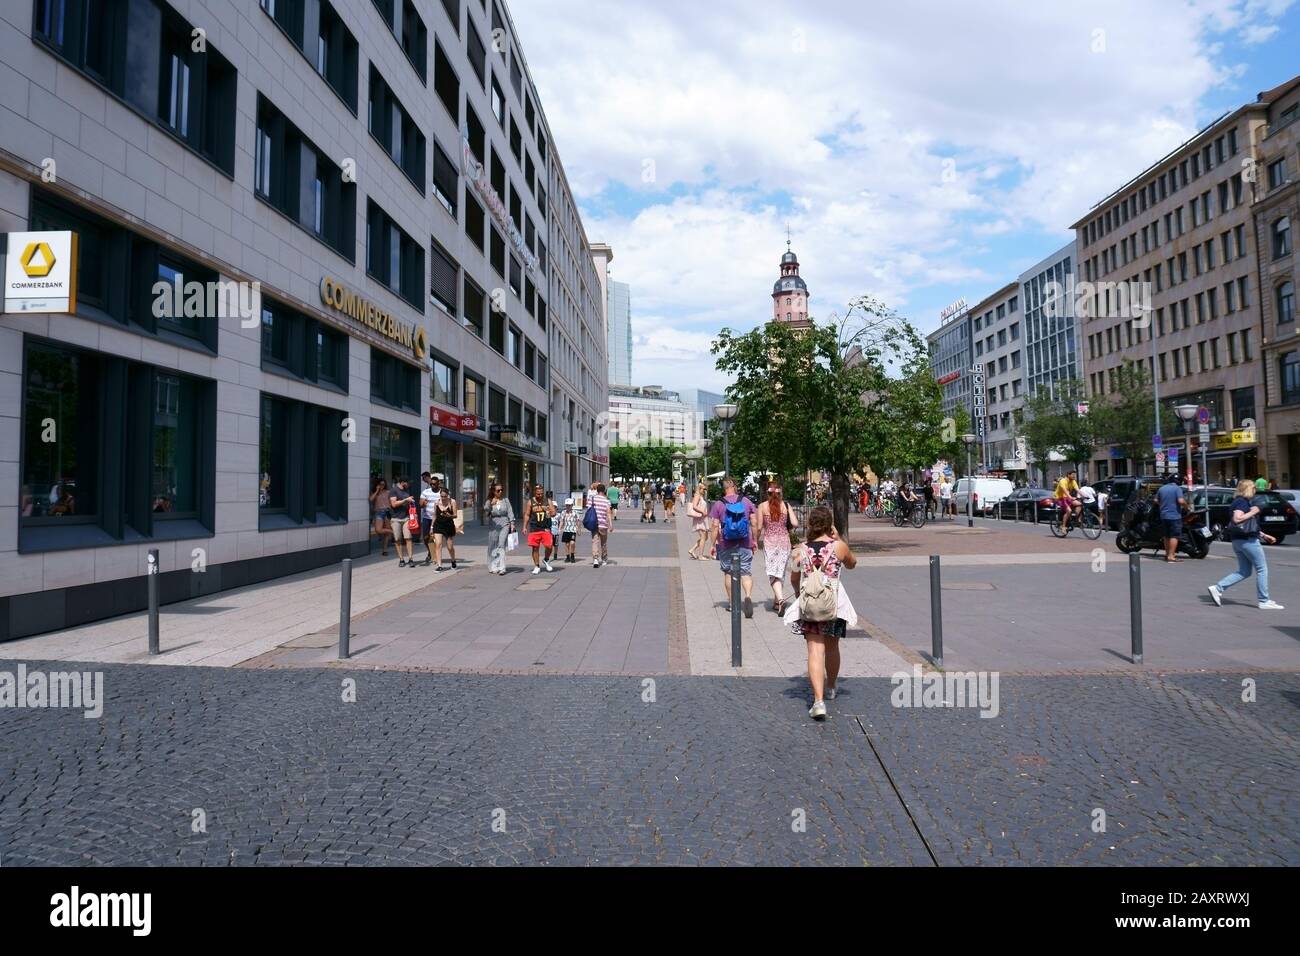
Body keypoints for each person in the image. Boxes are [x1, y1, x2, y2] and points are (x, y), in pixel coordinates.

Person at [787, 506, 858, 721]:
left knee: (814, 650)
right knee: (833, 646)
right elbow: (853, 564)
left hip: (811, 604)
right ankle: (832, 687)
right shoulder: (839, 547)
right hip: (833, 604)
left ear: (811, 524)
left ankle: (818, 702)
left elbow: (793, 577)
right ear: (830, 525)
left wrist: (798, 593)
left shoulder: (800, 549)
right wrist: (837, 538)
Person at [1208, 479, 1284, 610]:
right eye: (1254, 488)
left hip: (1239, 540)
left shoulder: (1238, 502)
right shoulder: (1242, 502)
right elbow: (1237, 519)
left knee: (1244, 571)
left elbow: (1248, 525)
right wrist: (1254, 511)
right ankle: (1264, 601)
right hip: (1248, 541)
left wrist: (1263, 535)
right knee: (1262, 569)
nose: (1255, 491)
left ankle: (1217, 588)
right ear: (1248, 489)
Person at [709, 477, 758, 617]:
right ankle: (747, 596)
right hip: (744, 542)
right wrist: (754, 541)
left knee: (728, 573)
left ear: (723, 488)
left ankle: (731, 603)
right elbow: (754, 522)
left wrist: (713, 544)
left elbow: (714, 526)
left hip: (726, 543)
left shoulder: (719, 504)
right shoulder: (746, 501)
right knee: (746, 572)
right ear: (735, 486)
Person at [758, 482, 797, 615]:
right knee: (780, 571)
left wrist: (755, 541)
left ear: (767, 493)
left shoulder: (762, 506)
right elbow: (795, 523)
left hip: (770, 543)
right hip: (785, 542)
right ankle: (776, 602)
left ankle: (780, 599)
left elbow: (758, 527)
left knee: (772, 572)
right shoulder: (786, 505)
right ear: (780, 493)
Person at [484, 483, 515, 575]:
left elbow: (510, 511)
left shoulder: (505, 500)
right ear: (494, 491)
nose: (500, 492)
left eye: (502, 490)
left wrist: (512, 523)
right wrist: (490, 504)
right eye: (498, 490)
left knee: (501, 545)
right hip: (494, 524)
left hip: (505, 523)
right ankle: (492, 565)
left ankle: (502, 567)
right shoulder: (489, 500)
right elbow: (486, 511)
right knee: (492, 545)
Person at [1155, 474, 1186, 563]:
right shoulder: (1177, 489)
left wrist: (1163, 505)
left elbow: (1156, 500)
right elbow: (1181, 501)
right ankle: (1171, 556)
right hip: (1174, 516)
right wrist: (1186, 506)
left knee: (1166, 536)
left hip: (1163, 515)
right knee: (1174, 536)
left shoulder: (1162, 488)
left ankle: (1167, 554)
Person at [526, 484, 556, 574]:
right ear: (535, 493)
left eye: (542, 494)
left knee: (549, 546)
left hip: (546, 528)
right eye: (538, 494)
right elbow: (527, 514)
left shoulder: (548, 501)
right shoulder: (530, 502)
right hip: (534, 528)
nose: (540, 495)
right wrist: (524, 526)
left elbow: (554, 513)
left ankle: (546, 559)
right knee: (535, 548)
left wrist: (550, 512)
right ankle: (537, 566)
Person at [388, 478, 417, 568]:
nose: (409, 485)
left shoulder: (407, 490)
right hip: (396, 519)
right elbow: (393, 504)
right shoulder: (393, 491)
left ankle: (411, 559)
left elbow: (409, 502)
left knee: (408, 538)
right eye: (408, 483)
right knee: (397, 539)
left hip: (406, 518)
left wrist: (413, 512)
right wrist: (405, 500)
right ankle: (401, 559)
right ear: (403, 482)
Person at [431, 486, 459, 571]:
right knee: (438, 544)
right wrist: (431, 527)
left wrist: (449, 516)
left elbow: (455, 515)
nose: (443, 498)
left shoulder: (452, 502)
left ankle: (453, 560)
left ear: (448, 495)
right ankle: (439, 565)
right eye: (442, 496)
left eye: (445, 496)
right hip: (438, 525)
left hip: (448, 526)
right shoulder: (436, 503)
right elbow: (434, 515)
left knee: (449, 547)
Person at [418, 474, 439, 566]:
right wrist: (423, 504)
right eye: (431, 484)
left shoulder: (442, 492)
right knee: (425, 538)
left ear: (438, 483)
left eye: (435, 484)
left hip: (438, 519)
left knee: (436, 538)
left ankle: (434, 555)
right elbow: (420, 504)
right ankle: (430, 552)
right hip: (427, 518)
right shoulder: (426, 492)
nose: (433, 486)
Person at [589, 482, 612, 566]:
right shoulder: (606, 501)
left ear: (597, 490)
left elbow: (588, 509)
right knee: (603, 542)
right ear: (604, 490)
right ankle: (604, 559)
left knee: (595, 542)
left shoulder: (592, 499)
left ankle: (595, 559)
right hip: (603, 525)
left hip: (594, 524)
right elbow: (608, 513)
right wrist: (610, 525)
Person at [687, 481, 710, 559]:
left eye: (705, 489)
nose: (705, 491)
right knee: (703, 536)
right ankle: (700, 555)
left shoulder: (701, 496)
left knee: (705, 537)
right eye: (704, 489)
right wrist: (702, 511)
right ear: (699, 489)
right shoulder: (697, 495)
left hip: (702, 519)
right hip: (699, 519)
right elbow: (694, 506)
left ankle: (692, 550)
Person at [370, 478, 392, 556]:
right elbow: (370, 499)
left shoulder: (388, 492)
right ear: (377, 484)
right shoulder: (375, 493)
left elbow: (392, 501)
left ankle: (384, 550)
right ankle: (393, 532)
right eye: (380, 484)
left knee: (386, 534)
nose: (382, 486)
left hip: (387, 512)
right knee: (378, 530)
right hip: (378, 513)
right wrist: (377, 491)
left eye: (383, 484)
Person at [559, 498, 579, 563]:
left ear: (572, 505)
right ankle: (567, 556)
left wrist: (578, 529)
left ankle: (572, 555)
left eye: (569, 505)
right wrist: (559, 528)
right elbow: (562, 521)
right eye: (567, 505)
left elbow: (577, 521)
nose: (568, 506)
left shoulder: (575, 512)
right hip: (566, 530)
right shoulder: (563, 512)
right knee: (567, 544)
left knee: (572, 543)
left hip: (573, 530)